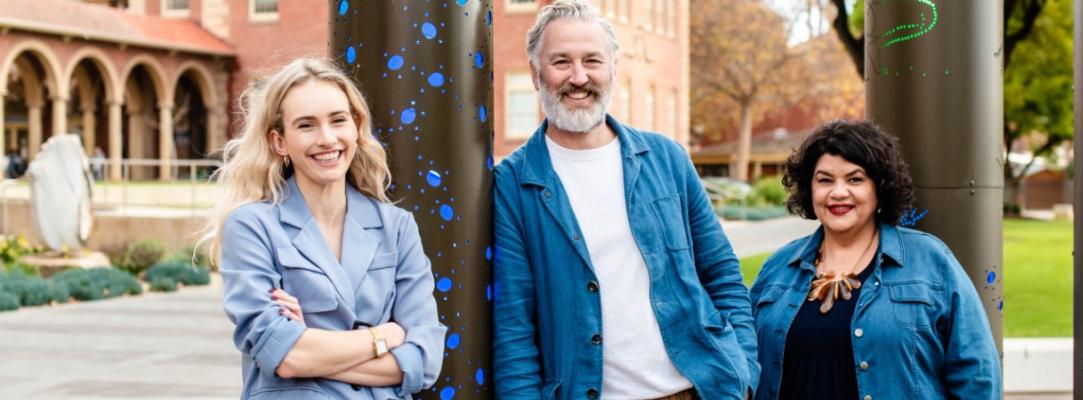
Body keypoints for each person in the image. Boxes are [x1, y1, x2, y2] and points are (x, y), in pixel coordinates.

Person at [492, 1, 759, 399]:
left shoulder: (667, 159)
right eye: (561, 62)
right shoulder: (512, 184)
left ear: (613, 67)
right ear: (535, 73)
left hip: (697, 389)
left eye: (592, 61)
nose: (578, 77)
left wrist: (744, 370)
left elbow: (721, 274)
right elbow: (514, 327)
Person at [201, 58, 445, 399]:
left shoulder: (397, 227)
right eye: (306, 126)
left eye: (338, 120)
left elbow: (425, 361)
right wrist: (384, 336)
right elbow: (285, 356)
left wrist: (310, 346)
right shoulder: (252, 227)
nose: (327, 138)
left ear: (357, 128)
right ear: (279, 142)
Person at [749, 121, 1001, 399]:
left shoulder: (931, 262)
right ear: (810, 189)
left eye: (855, 179)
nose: (838, 192)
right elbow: (743, 358)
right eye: (825, 180)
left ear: (879, 187)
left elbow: (976, 375)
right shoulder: (778, 268)